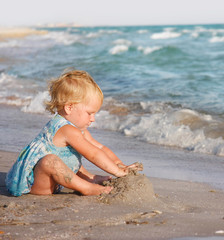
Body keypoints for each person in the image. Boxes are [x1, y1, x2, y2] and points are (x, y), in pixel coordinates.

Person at [6, 69, 141, 196]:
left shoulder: (79, 130)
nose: (93, 119)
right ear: (69, 108)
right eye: (90, 113)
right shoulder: (66, 129)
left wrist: (119, 164)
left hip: (56, 180)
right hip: (34, 184)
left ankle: (90, 178)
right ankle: (86, 187)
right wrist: (117, 172)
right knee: (50, 161)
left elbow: (99, 148)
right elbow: (93, 154)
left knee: (71, 157)